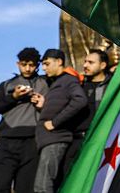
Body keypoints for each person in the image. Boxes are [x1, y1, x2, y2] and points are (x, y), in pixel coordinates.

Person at [0, 47, 48, 193]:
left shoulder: (45, 83)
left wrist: (42, 103)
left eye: (31, 65)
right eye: (24, 64)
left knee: (26, 187)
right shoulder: (7, 85)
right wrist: (14, 97)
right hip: (7, 141)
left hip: (33, 142)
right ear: (18, 64)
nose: (27, 68)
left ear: (37, 66)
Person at [32, 48, 87, 193]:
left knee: (43, 185)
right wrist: (43, 105)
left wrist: (55, 122)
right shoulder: (58, 82)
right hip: (48, 139)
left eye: (47, 63)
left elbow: (80, 100)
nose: (44, 68)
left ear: (59, 62)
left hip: (55, 138)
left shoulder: (68, 80)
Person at [63, 49, 112, 173]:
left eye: (90, 62)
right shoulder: (78, 85)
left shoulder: (112, 86)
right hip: (77, 140)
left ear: (103, 65)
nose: (85, 65)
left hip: (100, 141)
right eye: (85, 62)